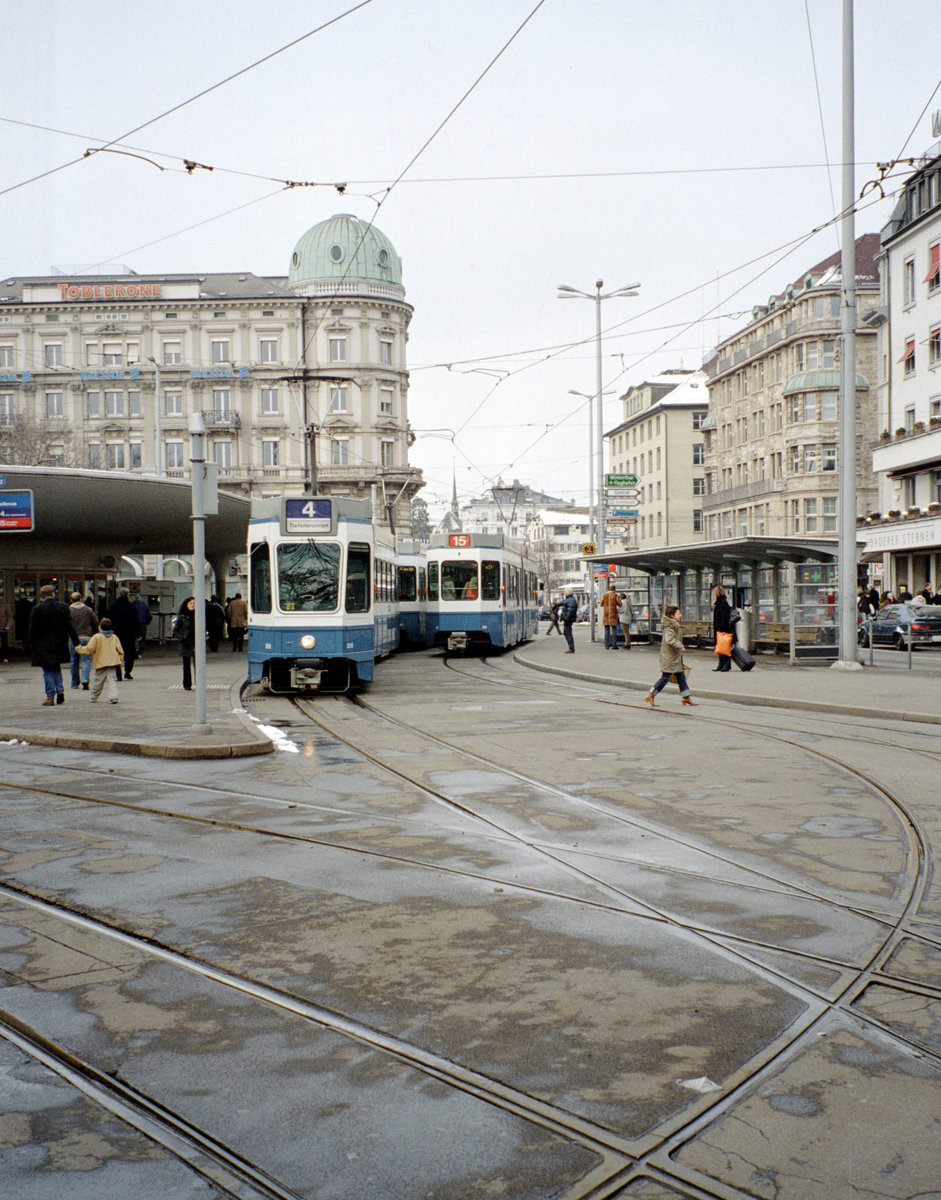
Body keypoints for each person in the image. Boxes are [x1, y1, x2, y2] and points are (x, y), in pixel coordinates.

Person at [28, 584, 78, 706]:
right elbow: (70, 626)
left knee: (47, 669)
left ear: (42, 596)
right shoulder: (63, 607)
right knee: (56, 667)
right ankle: (60, 689)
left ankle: (50, 696)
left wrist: (31, 643)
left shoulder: (37, 609)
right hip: (60, 642)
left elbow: (32, 629)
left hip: (43, 644)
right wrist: (76, 641)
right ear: (53, 594)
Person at [645, 605, 697, 708]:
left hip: (674, 657)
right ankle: (651, 695)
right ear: (672, 615)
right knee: (665, 678)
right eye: (678, 614)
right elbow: (669, 639)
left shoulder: (673, 625)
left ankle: (686, 698)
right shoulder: (670, 626)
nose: (680, 615)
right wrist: (680, 646)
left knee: (681, 677)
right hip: (669, 657)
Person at [74, 617, 124, 703]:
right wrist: (119, 660)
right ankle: (114, 696)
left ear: (100, 627)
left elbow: (89, 649)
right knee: (112, 680)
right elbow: (120, 651)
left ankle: (93, 697)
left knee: (98, 681)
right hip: (112, 662)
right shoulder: (114, 637)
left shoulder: (97, 637)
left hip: (100, 662)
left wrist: (78, 648)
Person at [107, 587, 141, 680]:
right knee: (129, 654)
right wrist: (138, 633)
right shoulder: (131, 606)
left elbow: (107, 619)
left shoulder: (112, 605)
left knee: (116, 653)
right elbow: (136, 621)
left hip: (116, 633)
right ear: (127, 595)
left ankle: (118, 673)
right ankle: (128, 671)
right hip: (128, 633)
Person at [68, 591, 99, 690]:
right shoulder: (88, 610)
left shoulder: (68, 610)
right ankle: (85, 680)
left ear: (71, 600)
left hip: (74, 638)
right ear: (81, 599)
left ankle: (74, 683)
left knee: (74, 660)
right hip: (87, 637)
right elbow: (95, 623)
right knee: (86, 660)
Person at [173, 597, 197, 690]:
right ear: (186, 604)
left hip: (196, 642)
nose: (192, 605)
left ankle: (199, 683)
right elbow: (176, 630)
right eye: (191, 603)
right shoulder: (182, 617)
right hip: (186, 642)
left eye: (194, 603)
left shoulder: (198, 615)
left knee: (198, 664)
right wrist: (181, 638)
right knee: (186, 664)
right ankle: (187, 684)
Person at [712, 584, 734, 672]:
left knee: (724, 647)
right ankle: (721, 664)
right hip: (719, 628)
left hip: (723, 629)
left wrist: (721, 627)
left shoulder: (723, 603)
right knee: (720, 647)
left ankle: (726, 664)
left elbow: (725, 617)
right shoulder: (719, 603)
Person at [131, 592, 152, 657]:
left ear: (133, 598)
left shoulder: (131, 605)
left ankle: (134, 651)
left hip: (133, 624)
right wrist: (146, 622)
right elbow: (150, 616)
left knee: (133, 638)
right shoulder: (144, 605)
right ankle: (139, 652)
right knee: (141, 638)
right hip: (142, 624)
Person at [601, 583, 622, 649]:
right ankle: (614, 645)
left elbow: (601, 604)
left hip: (606, 615)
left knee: (606, 631)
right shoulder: (615, 595)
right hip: (613, 615)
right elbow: (620, 604)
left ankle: (607, 645)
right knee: (614, 630)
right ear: (614, 590)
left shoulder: (604, 595)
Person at [560, 587, 578, 653]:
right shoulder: (570, 600)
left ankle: (571, 648)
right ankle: (571, 647)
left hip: (568, 619)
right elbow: (563, 602)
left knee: (568, 633)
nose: (564, 593)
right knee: (566, 633)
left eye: (565, 592)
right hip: (568, 619)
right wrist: (557, 604)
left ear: (567, 593)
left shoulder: (571, 600)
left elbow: (570, 611)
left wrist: (566, 618)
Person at [0, 589, 10, 661]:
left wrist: (8, 626)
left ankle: (5, 657)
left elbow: (10, 616)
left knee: (4, 643)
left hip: (3, 627)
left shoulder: (5, 605)